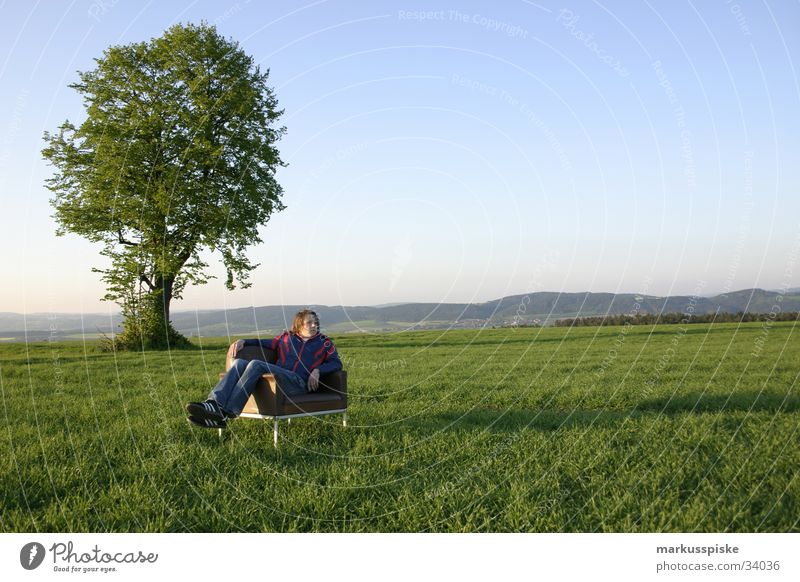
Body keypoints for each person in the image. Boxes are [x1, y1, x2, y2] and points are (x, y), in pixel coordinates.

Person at [186, 308, 343, 429]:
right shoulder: (285, 338)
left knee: (255, 364)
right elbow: (262, 342)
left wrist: (317, 370)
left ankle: (228, 411)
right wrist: (243, 341)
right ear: (299, 324)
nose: (314, 325)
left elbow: (336, 363)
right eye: (310, 322)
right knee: (240, 363)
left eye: (316, 322)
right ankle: (213, 404)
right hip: (279, 381)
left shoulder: (324, 342)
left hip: (299, 383)